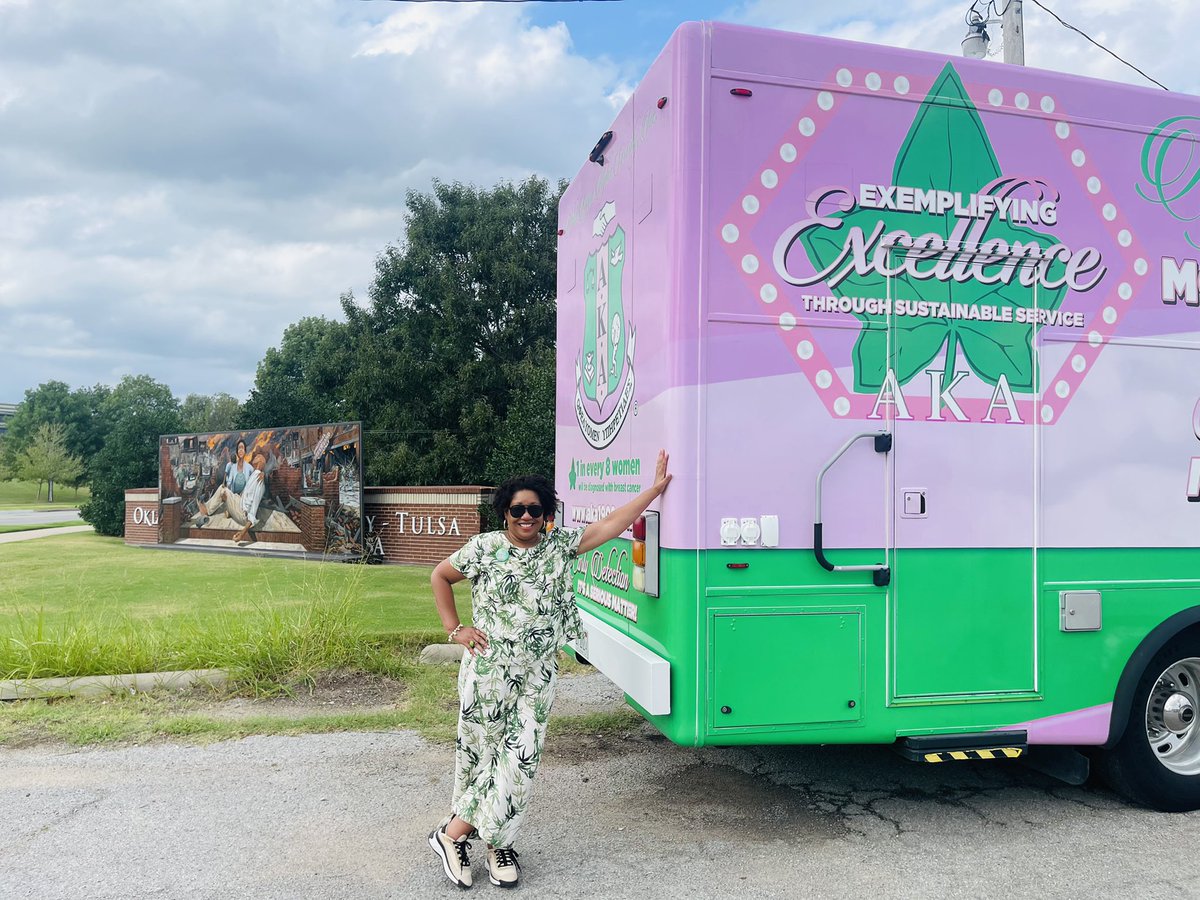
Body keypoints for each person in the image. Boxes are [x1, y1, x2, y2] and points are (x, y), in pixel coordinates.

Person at [428, 450, 671, 890]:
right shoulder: (484, 548)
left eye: (534, 510)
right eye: (517, 509)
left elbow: (609, 526)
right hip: (488, 673)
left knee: (520, 763)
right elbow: (440, 577)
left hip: (537, 674)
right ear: (505, 512)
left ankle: (455, 833)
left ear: (545, 515)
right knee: (479, 757)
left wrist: (653, 492)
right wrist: (455, 629)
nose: (526, 516)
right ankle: (484, 841)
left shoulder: (559, 547)